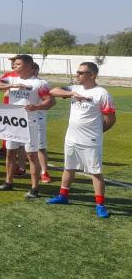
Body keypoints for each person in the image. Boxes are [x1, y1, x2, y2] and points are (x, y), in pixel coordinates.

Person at [47, 62, 116, 218]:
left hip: (90, 139)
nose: (77, 75)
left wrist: (98, 131)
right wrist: (72, 94)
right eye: (77, 72)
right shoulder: (75, 88)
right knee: (68, 167)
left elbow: (110, 118)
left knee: (95, 172)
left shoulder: (102, 93)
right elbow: (52, 91)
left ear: (92, 75)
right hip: (71, 137)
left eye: (81, 72)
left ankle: (100, 205)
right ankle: (63, 195)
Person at [0, 54, 55, 198]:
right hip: (13, 123)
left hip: (30, 123)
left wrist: (37, 106)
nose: (14, 66)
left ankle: (34, 188)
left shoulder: (40, 83)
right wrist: (12, 85)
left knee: (31, 155)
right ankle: (8, 182)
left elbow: (50, 101)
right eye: (14, 64)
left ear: (27, 66)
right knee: (10, 152)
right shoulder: (12, 79)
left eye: (18, 64)